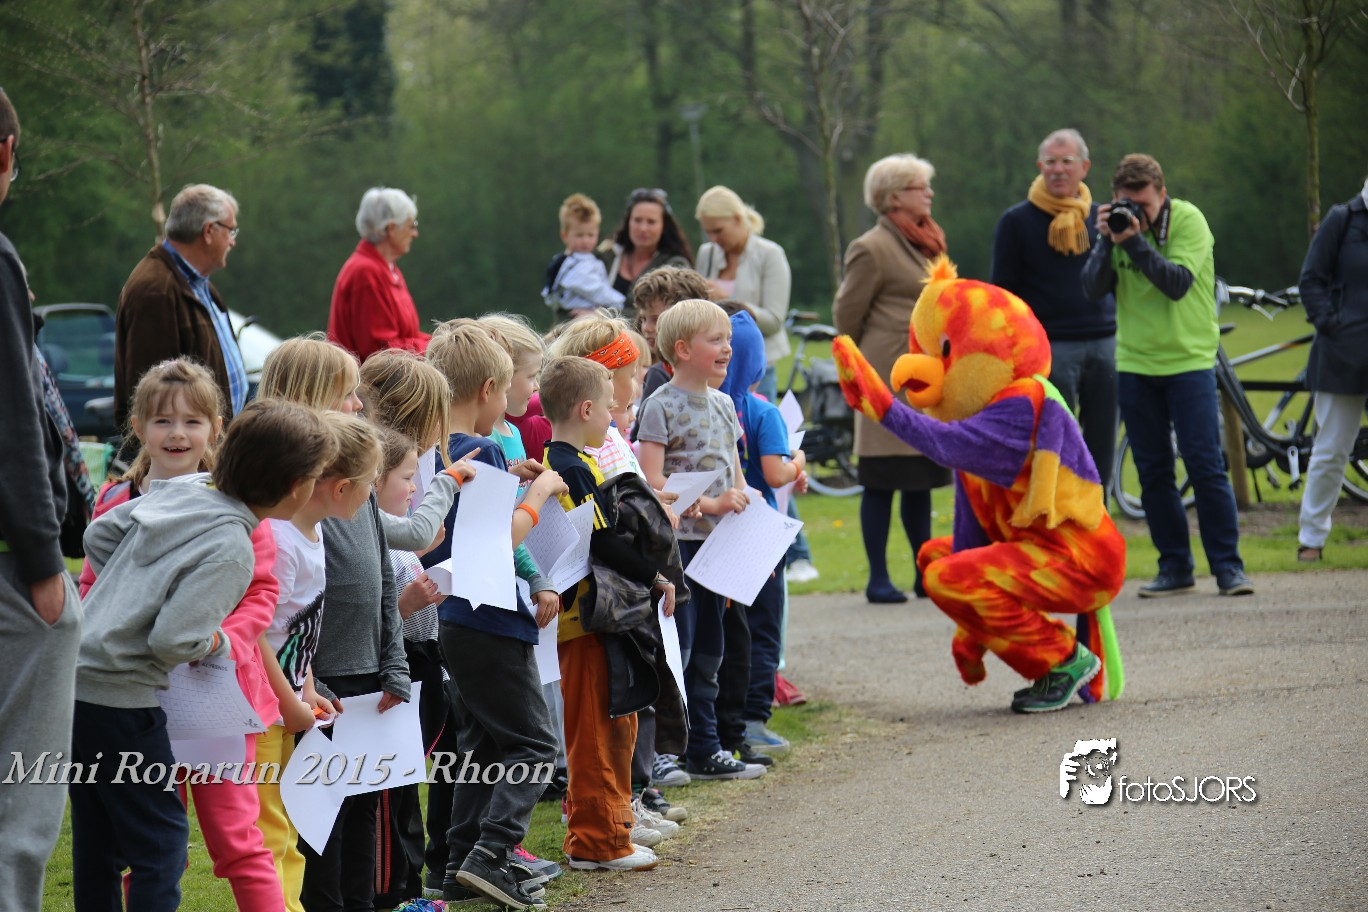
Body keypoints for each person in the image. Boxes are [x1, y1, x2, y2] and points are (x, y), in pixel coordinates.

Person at [69, 399, 333, 912]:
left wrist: (135, 589)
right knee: (160, 844)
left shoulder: (189, 492)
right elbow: (173, 640)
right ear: (296, 486)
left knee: (105, 843)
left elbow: (98, 534)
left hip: (87, 685)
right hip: (133, 698)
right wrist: (216, 641)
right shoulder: (232, 544)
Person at [257, 336, 408, 911]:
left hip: (355, 674)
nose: (358, 406)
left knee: (362, 808)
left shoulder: (355, 478)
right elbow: (280, 612)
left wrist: (392, 659)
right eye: (347, 394)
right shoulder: (286, 501)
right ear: (309, 396)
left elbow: (381, 574)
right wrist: (307, 682)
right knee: (315, 821)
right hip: (310, 685)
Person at [421, 321, 566, 909]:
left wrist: (513, 484)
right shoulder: (480, 451)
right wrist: (539, 494)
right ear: (487, 389)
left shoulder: (439, 452)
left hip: (458, 621)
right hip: (491, 620)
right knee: (534, 745)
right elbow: (494, 543)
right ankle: (492, 852)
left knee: (480, 749)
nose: (510, 401)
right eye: (507, 390)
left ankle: (458, 865)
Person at [1081, 153, 1254, 597]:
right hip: (1135, 364)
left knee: (1204, 464)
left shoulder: (1188, 221)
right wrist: (1105, 242)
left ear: (1163, 194)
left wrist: (1133, 242)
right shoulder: (1116, 229)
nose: (1136, 212)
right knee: (1153, 470)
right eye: (1127, 203)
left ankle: (1228, 568)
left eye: (1144, 203)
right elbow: (1091, 289)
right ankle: (1174, 567)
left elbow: (1175, 283)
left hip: (1189, 362)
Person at [542, 355, 682, 871]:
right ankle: (595, 842)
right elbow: (601, 539)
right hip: (586, 620)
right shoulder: (573, 467)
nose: (614, 417)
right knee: (596, 731)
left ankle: (614, 829)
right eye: (608, 407)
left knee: (614, 722)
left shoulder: (567, 459)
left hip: (593, 618)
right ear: (585, 409)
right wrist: (654, 575)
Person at [0, 87, 84, 911]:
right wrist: (41, 557)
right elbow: (13, 420)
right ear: (4, 153)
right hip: (11, 572)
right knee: (20, 801)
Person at [637, 298, 765, 782]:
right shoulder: (659, 405)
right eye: (716, 340)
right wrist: (709, 503)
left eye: (728, 339)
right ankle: (665, 751)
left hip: (720, 549)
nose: (728, 348)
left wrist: (754, 525)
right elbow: (651, 481)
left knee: (713, 648)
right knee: (680, 649)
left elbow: (736, 477)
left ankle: (706, 748)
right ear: (683, 349)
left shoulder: (725, 403)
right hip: (679, 549)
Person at [833, 153, 953, 603]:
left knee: (920, 477)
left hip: (926, 374)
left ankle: (925, 574)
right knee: (882, 477)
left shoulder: (929, 240)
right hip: (886, 376)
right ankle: (879, 578)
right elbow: (847, 313)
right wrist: (870, 359)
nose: (930, 193)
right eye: (921, 187)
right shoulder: (872, 247)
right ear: (894, 196)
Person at [693, 185, 817, 583]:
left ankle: (793, 548)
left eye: (718, 230)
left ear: (737, 219)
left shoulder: (769, 254)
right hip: (714, 364)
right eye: (708, 232)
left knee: (765, 451)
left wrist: (732, 303)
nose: (713, 239)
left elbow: (775, 318)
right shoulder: (708, 254)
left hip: (755, 360)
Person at [992, 129, 1117, 491]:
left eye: (1067, 161)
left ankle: (1098, 511)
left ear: (1084, 167)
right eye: (1050, 162)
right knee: (1053, 442)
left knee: (1102, 440)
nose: (1058, 169)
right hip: (1049, 349)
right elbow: (1003, 294)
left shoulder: (1102, 219)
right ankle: (1056, 511)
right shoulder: (1016, 222)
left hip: (1106, 342)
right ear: (1039, 166)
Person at [718, 310, 807, 757]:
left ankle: (718, 722)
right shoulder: (762, 411)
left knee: (724, 632)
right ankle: (753, 719)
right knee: (762, 629)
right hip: (759, 535)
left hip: (714, 532)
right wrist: (798, 462)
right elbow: (775, 473)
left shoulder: (708, 406)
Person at [114, 183, 247, 432]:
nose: (233, 242)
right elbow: (152, 399)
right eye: (231, 231)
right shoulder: (156, 291)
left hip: (209, 445)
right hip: (183, 450)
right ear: (209, 231)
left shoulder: (194, 282)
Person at [1296, 175, 1368, 561]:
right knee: (1332, 449)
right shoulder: (1343, 219)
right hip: (1343, 354)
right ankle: (1311, 538)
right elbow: (1311, 280)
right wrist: (1332, 324)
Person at [328, 186, 430, 362]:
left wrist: (445, 341)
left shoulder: (388, 269)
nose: (415, 233)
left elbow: (409, 336)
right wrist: (436, 349)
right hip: (363, 379)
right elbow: (380, 352)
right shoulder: (365, 273)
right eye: (411, 225)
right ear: (391, 228)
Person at [600, 187, 693, 321]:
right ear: (628, 222)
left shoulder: (675, 266)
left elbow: (670, 315)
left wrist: (599, 314)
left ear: (663, 226)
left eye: (651, 222)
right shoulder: (608, 256)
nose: (643, 228)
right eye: (637, 220)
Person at [543, 193, 626, 320]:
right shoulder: (576, 265)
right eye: (579, 235)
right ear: (565, 236)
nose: (585, 241)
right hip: (576, 320)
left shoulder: (570, 261)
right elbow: (596, 291)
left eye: (590, 235)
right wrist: (620, 302)